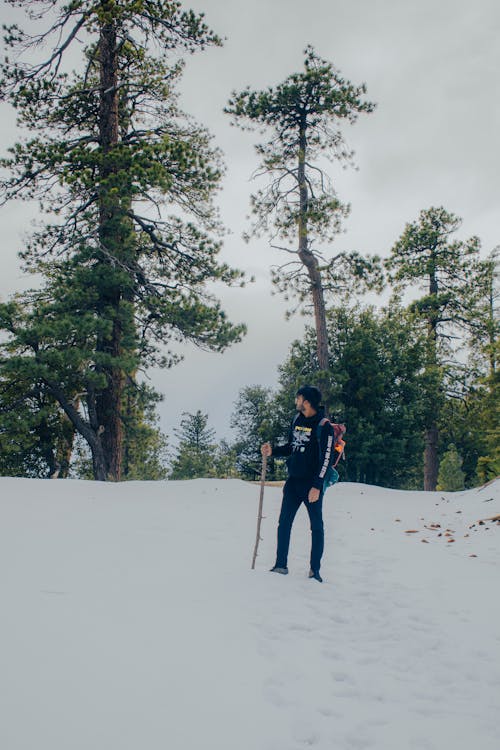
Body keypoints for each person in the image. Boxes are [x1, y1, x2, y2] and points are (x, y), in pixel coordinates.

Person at [261, 385, 334, 583]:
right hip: (293, 482)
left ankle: (314, 571)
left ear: (307, 402)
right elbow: (292, 447)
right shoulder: (296, 419)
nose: (296, 401)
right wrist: (272, 451)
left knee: (316, 527)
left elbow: (326, 458)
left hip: (312, 485)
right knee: (284, 523)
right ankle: (280, 565)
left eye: (298, 398)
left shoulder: (324, 425)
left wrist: (317, 486)